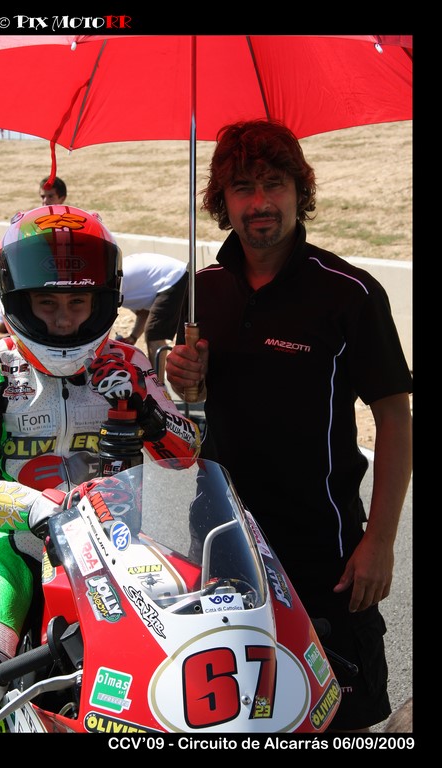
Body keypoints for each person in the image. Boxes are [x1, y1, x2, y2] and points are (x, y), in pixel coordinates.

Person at [165, 120, 413, 733]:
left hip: (324, 552)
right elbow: (191, 398)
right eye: (242, 187)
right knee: (233, 717)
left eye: (274, 184)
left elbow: (394, 417)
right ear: (220, 201)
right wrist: (184, 377)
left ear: (301, 192)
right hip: (221, 543)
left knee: (342, 719)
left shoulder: (349, 293)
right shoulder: (201, 291)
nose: (260, 202)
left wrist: (380, 541)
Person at [0, 205, 201, 732]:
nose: (63, 320)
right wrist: (39, 511)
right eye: (47, 303)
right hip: (13, 547)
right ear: (19, 300)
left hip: (123, 545)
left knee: (190, 664)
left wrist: (148, 414)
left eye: (78, 302)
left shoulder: (130, 363)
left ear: (102, 300)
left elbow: (188, 453)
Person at [0, 176, 68, 342]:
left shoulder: (75, 226)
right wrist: (29, 340)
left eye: (50, 196)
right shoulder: (30, 226)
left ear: (62, 198)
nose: (45, 201)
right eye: (42, 196)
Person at [116, 252, 188, 374]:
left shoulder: (114, 285)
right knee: (155, 331)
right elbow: (144, 313)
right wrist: (133, 337)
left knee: (155, 333)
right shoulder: (126, 287)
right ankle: (157, 379)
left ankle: (157, 382)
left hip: (174, 277)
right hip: (174, 275)